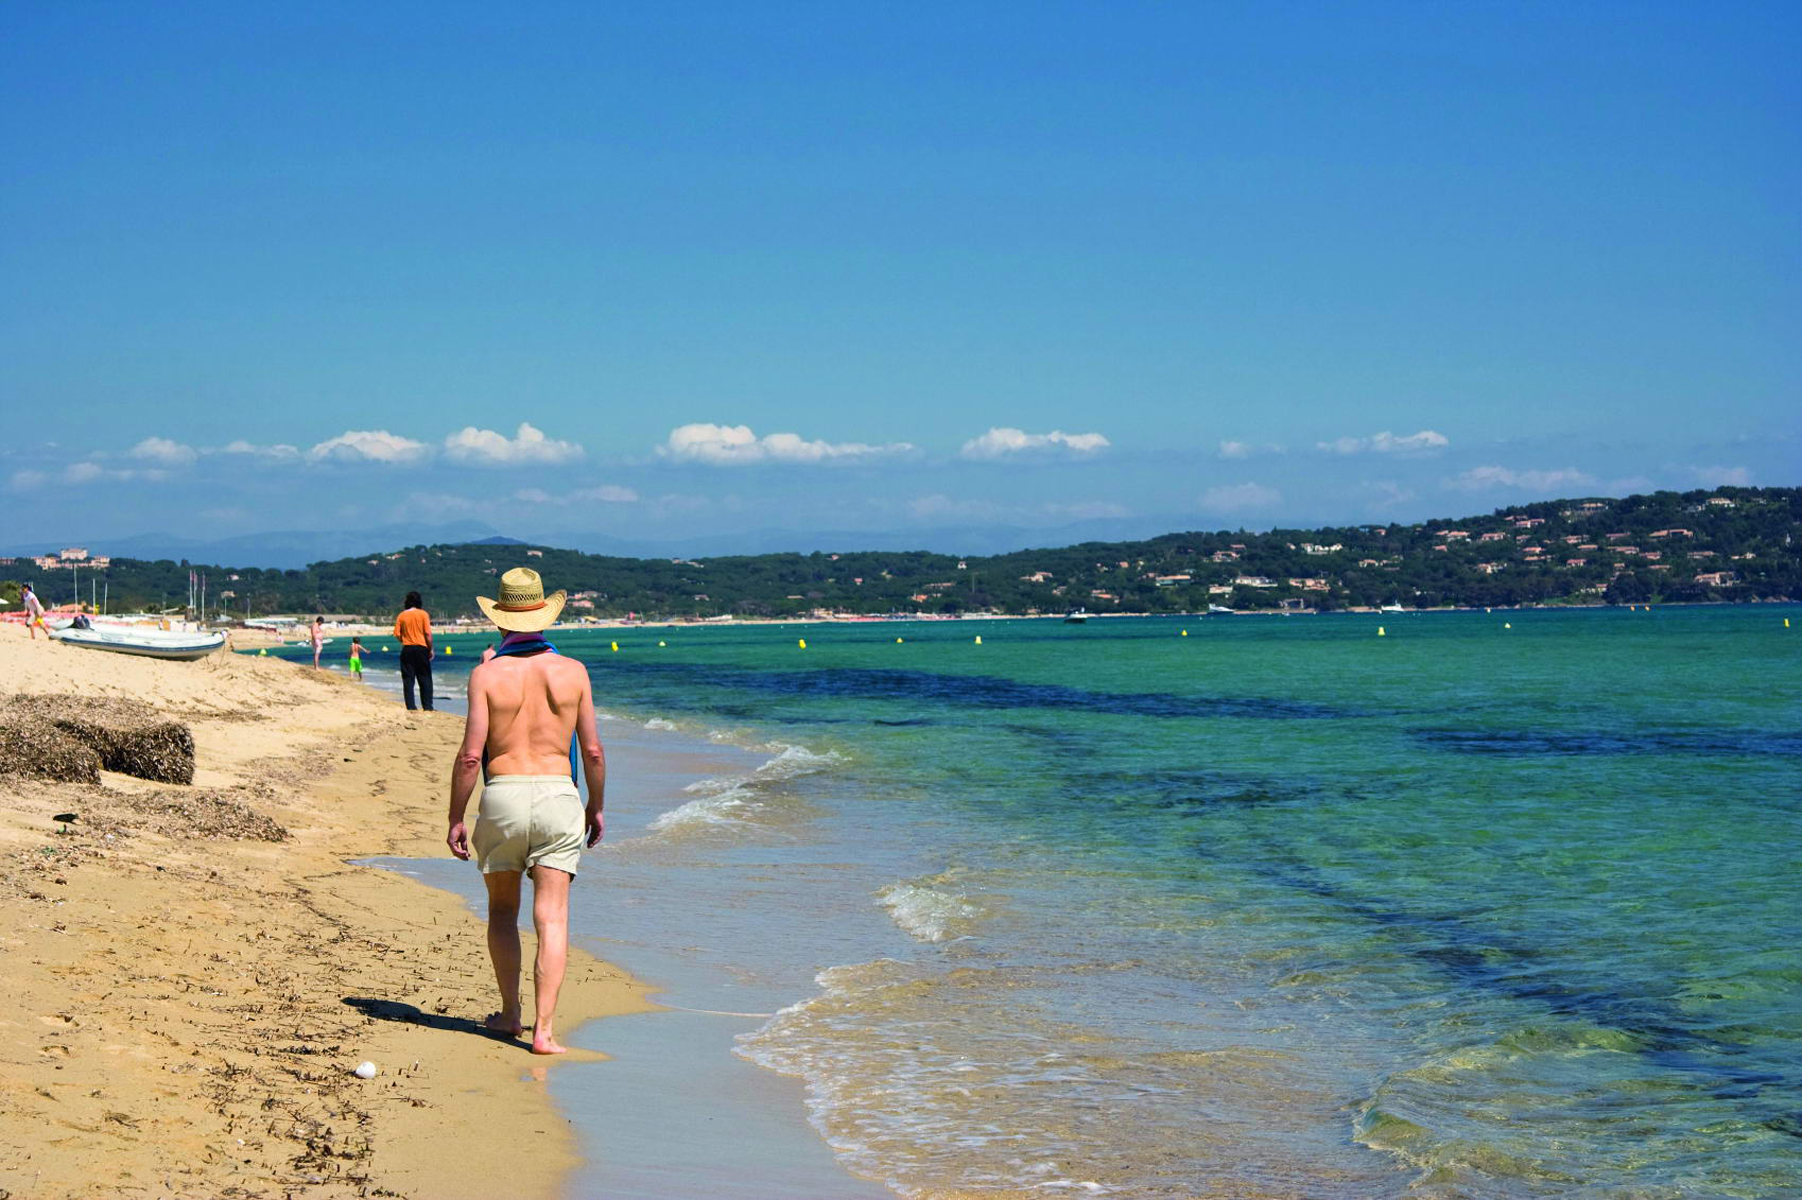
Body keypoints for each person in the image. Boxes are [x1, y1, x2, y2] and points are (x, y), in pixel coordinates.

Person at [445, 568, 605, 1054]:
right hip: (559, 795)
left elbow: (472, 754)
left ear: (500, 619)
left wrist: (456, 816)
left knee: (501, 910)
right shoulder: (573, 672)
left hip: (505, 794)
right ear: (545, 615)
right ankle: (545, 1031)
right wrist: (595, 806)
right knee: (552, 918)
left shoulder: (486, 674)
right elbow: (593, 752)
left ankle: (510, 1015)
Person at [393, 591, 434, 711]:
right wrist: (430, 648)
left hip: (407, 648)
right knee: (425, 678)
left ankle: (411, 706)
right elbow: (427, 633)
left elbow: (396, 633)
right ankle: (427, 706)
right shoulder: (423, 614)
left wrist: (404, 640)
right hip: (421, 648)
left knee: (408, 679)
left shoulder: (402, 615)